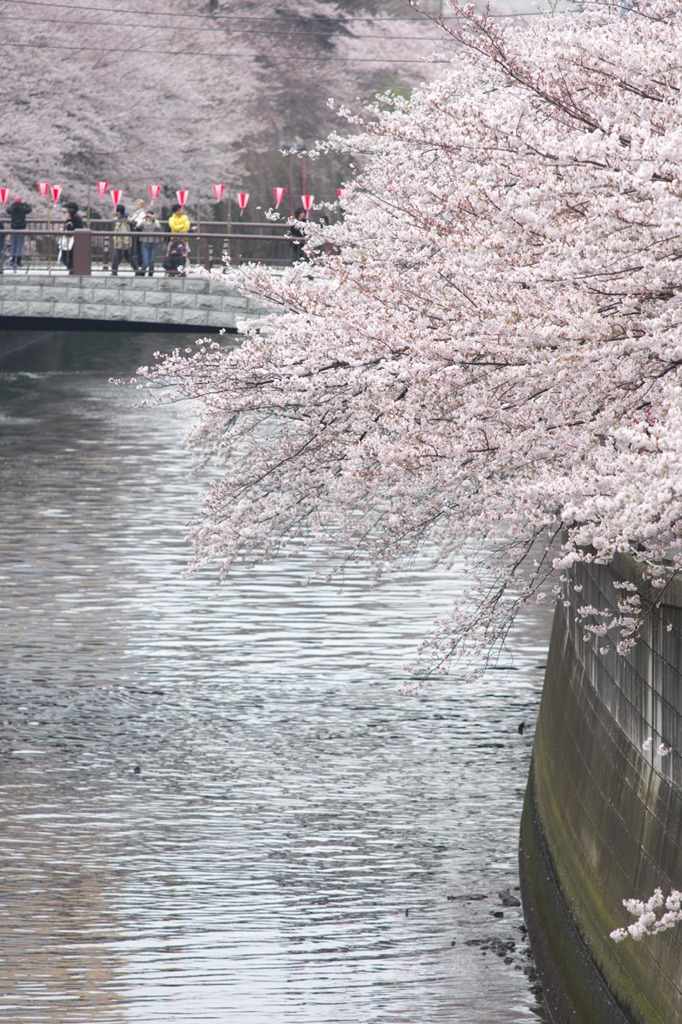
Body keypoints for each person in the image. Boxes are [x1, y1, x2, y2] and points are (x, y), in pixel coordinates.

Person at [111, 203, 141, 275]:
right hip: (122, 241)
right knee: (127, 256)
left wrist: (124, 242)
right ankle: (136, 270)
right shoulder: (124, 219)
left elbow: (123, 232)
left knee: (118, 256)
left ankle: (114, 271)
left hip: (122, 241)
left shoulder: (122, 221)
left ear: (119, 212)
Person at [7, 194, 32, 269]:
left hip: (14, 228)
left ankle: (13, 259)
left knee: (14, 244)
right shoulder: (23, 208)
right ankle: (18, 260)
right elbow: (29, 209)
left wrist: (13, 204)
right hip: (21, 228)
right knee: (20, 245)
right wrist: (24, 203)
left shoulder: (13, 208)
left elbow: (7, 210)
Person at [58, 201, 84, 274]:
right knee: (67, 256)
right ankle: (71, 269)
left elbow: (76, 228)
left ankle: (72, 269)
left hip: (73, 240)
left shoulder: (76, 218)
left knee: (69, 256)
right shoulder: (70, 218)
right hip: (69, 239)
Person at [139, 209, 161, 276]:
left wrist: (155, 219)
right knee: (146, 261)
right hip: (145, 243)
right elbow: (138, 226)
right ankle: (142, 272)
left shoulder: (155, 223)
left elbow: (158, 227)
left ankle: (151, 273)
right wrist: (143, 218)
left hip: (153, 243)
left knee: (152, 260)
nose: (149, 218)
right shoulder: (144, 222)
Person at [129, 198, 146, 264]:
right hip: (136, 231)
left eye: (139, 204)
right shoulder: (137, 213)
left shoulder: (142, 213)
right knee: (137, 246)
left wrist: (133, 221)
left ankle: (140, 261)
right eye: (136, 204)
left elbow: (139, 221)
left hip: (139, 231)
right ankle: (138, 260)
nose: (137, 205)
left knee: (138, 246)